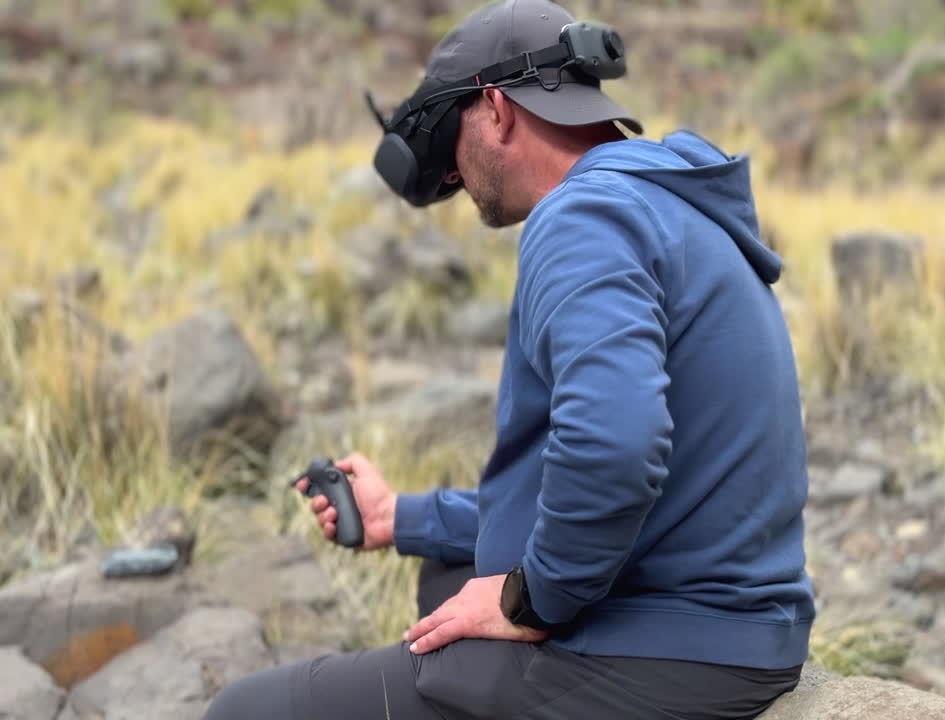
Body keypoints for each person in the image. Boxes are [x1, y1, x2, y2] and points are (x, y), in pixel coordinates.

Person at [204, 0, 814, 717]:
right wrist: (401, 517)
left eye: (451, 144)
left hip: (667, 655)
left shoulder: (581, 216)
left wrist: (534, 601)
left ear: (496, 109)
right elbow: (627, 472)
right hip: (738, 631)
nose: (455, 179)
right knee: (447, 577)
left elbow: (615, 446)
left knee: (244, 710)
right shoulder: (666, 202)